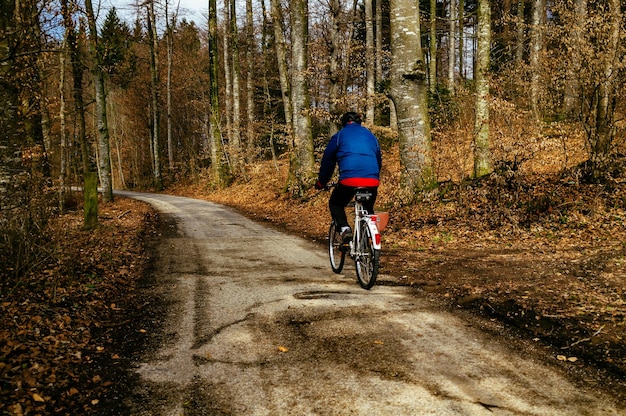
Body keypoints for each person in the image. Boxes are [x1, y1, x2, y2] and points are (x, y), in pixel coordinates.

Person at [315, 112, 382, 245]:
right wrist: (373, 176)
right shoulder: (371, 136)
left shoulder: (339, 136)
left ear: (343, 123)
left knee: (336, 204)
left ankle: (345, 229)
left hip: (348, 180)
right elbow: (378, 159)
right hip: (372, 180)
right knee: (368, 207)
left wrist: (321, 182)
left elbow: (328, 162)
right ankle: (369, 234)